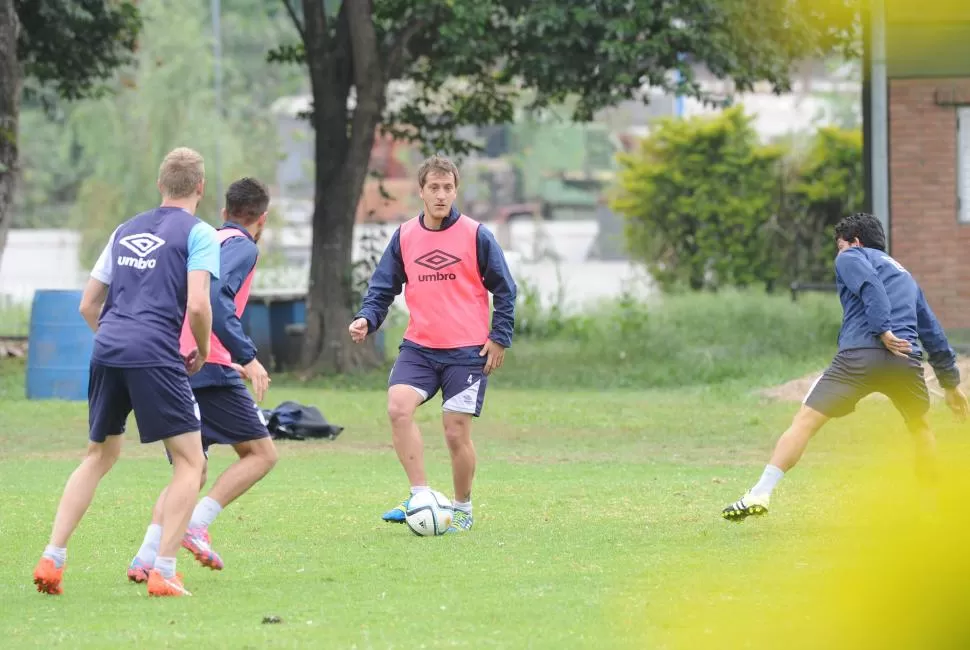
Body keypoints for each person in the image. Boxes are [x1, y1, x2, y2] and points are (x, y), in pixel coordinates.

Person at [33, 147, 220, 597]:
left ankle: (52, 557)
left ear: (160, 185)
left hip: (107, 348)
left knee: (98, 455)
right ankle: (165, 570)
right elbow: (197, 303)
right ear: (200, 187)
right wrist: (202, 348)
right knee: (191, 462)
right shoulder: (201, 234)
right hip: (155, 352)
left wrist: (116, 339)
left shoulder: (124, 230)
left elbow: (87, 304)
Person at [722, 212, 970, 521]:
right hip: (905, 363)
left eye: (840, 245)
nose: (839, 253)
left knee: (805, 421)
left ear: (854, 241)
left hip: (861, 356)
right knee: (921, 428)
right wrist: (949, 382)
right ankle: (934, 510)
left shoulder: (850, 256)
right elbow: (932, 331)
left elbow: (870, 286)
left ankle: (760, 492)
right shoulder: (906, 275)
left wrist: (883, 331)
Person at [349, 154, 517, 533]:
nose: (441, 195)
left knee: (455, 432)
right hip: (420, 349)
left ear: (455, 191)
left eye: (448, 188)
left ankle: (462, 509)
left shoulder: (476, 235)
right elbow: (381, 288)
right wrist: (367, 318)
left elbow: (506, 290)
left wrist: (499, 338)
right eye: (434, 188)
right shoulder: (406, 235)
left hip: (467, 353)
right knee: (398, 408)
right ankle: (420, 495)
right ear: (421, 192)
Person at [126, 177, 277, 583]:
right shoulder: (243, 246)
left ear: (224, 211)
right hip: (209, 365)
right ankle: (195, 524)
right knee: (262, 454)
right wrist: (247, 356)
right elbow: (214, 298)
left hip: (170, 363)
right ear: (262, 219)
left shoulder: (201, 237)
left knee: (190, 470)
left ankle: (144, 558)